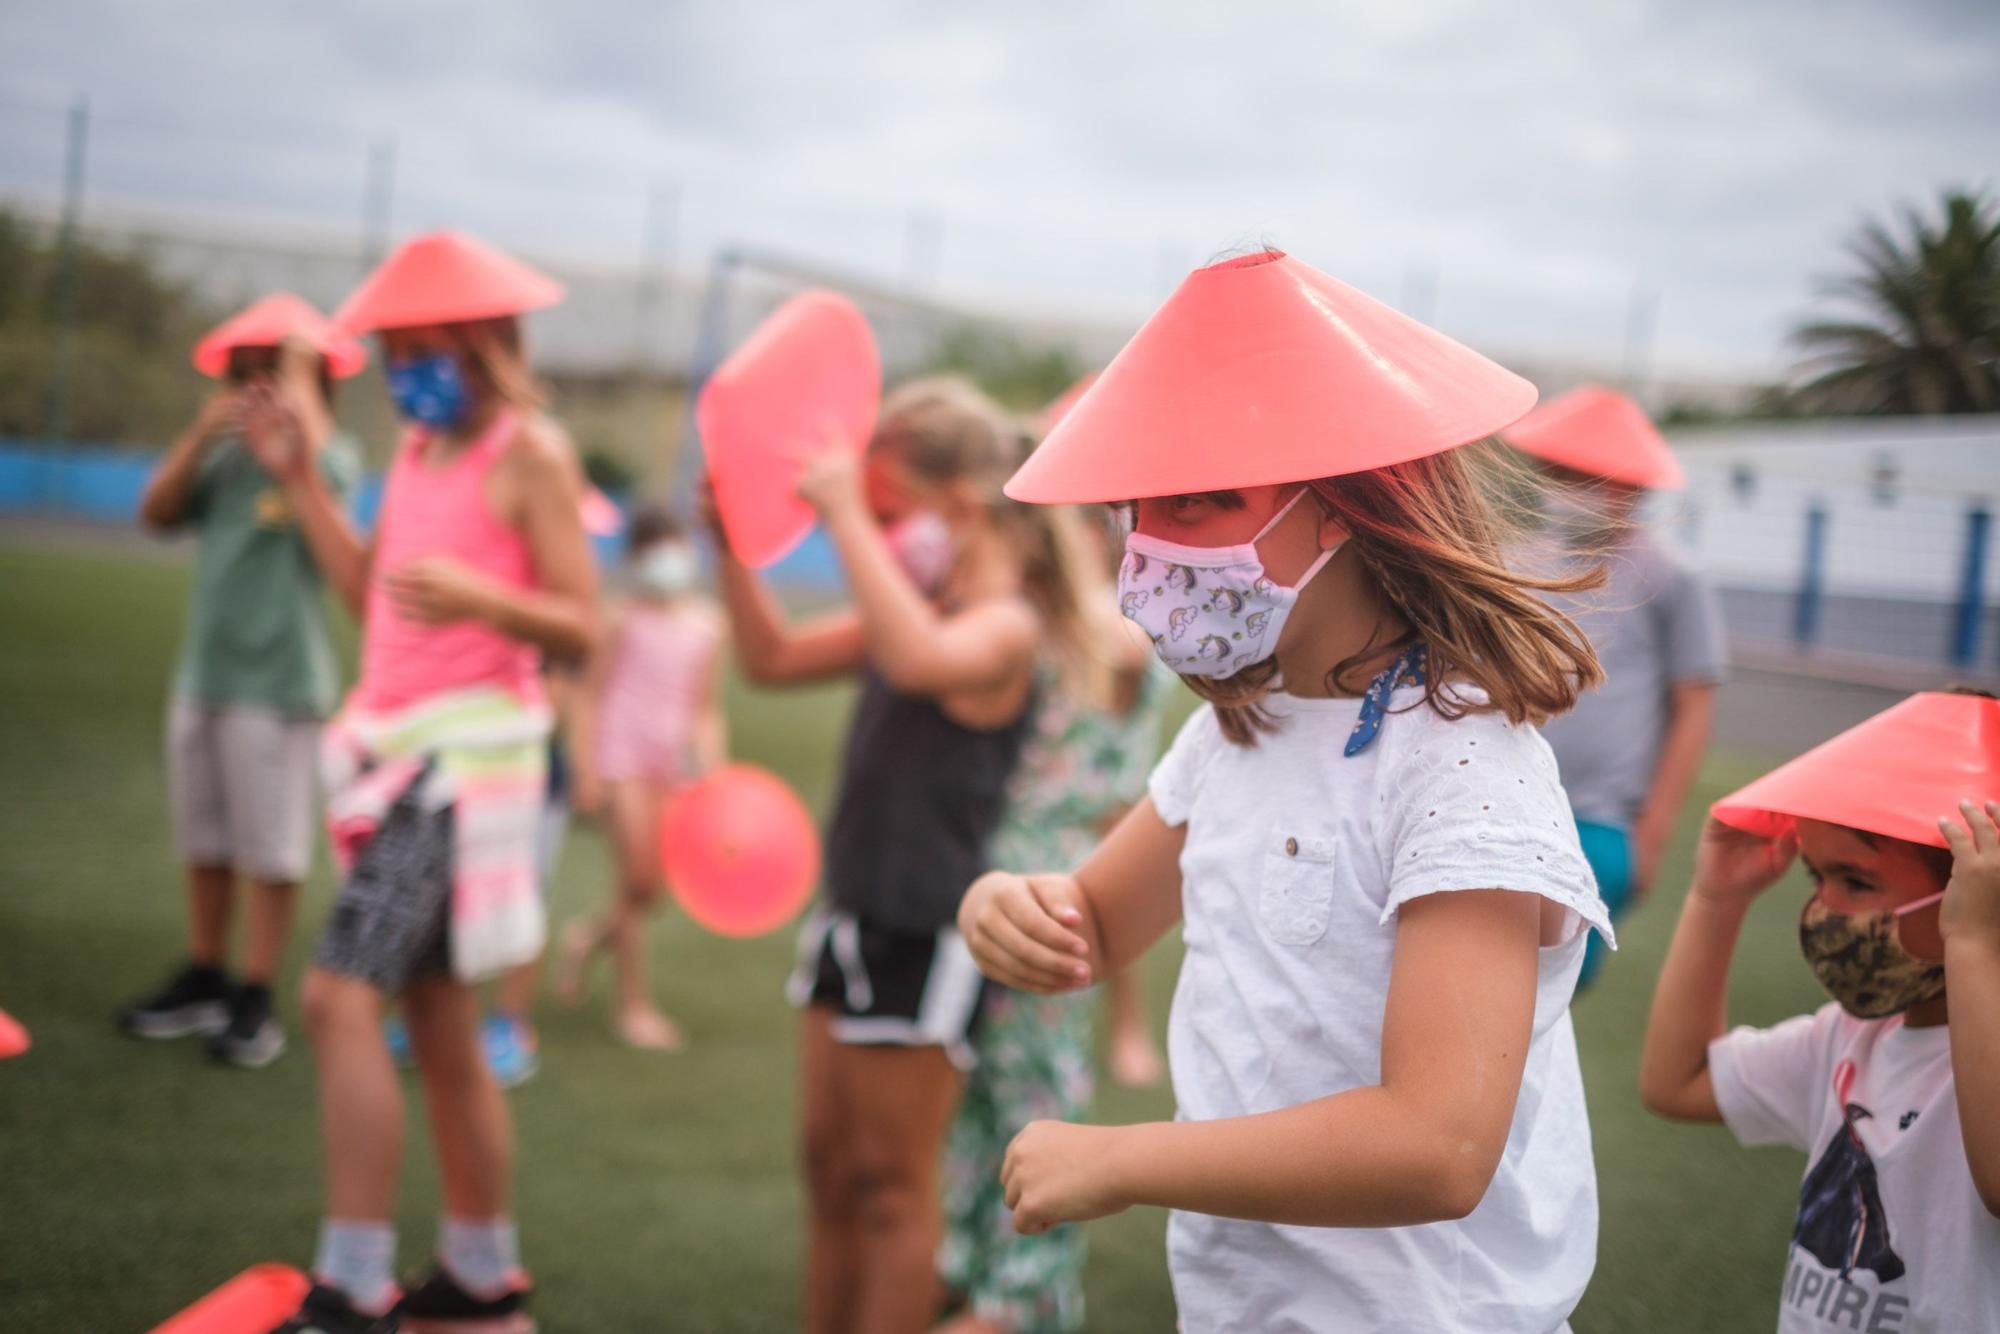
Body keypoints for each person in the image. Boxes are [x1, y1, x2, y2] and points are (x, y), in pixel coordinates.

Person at [956, 249, 1614, 1333]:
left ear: (1347, 509)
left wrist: (1123, 1157)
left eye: (1202, 503)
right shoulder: (1233, 728)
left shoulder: (1464, 763)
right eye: (1141, 508)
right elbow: (1088, 924)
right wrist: (1001, 903)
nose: (1153, 546)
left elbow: (1437, 1145)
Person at [249, 231, 594, 1334]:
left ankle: (349, 1288)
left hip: (465, 767)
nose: (408, 373)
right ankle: (482, 1282)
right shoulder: (410, 449)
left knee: (336, 996)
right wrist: (301, 476)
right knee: (439, 1022)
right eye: (395, 353)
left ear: (488, 346)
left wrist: (489, 601)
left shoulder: (530, 451)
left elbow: (587, 623)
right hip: (394, 748)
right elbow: (373, 594)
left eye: (427, 350)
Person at [713, 377, 1054, 1334]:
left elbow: (918, 662)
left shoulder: (1004, 624)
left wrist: (841, 516)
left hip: (925, 931)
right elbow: (770, 660)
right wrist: (729, 542)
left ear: (958, 504)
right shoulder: (915, 603)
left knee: (893, 1193)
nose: (875, 530)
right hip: (848, 915)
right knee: (827, 1175)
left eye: (890, 510)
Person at [1639, 689, 2000, 1334]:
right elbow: (1678, 1081)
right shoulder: (1850, 1039)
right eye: (1817, 878)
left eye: (1855, 881)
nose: (1827, 907)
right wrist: (1715, 900)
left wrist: (1974, 942)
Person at [938, 494, 1165, 1334]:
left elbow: (1113, 649)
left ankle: (1025, 1294)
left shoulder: (1110, 630)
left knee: (1035, 1086)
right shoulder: (1044, 623)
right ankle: (968, 1259)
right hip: (996, 874)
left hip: (1055, 880)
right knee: (979, 1083)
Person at [122, 295, 366, 1069]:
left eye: (279, 373)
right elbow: (156, 514)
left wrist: (299, 409)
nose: (262, 387)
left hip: (281, 685)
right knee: (206, 836)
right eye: (250, 373)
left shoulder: (327, 455)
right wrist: (203, 430)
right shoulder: (226, 454)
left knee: (272, 850)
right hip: (207, 676)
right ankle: (204, 972)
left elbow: (330, 478)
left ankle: (254, 996)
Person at [1505, 385, 1726, 989]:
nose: (1561, 490)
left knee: (1548, 994)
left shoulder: (1673, 575)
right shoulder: (1520, 558)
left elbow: (1693, 706)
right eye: (1555, 473)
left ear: (1628, 485)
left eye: (1578, 477)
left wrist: (1651, 833)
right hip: (1506, 802)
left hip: (1598, 822)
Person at [557, 503, 727, 1050]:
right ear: (635, 559)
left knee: (650, 890)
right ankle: (633, 1007)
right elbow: (588, 694)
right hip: (620, 755)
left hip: (670, 762)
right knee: (632, 880)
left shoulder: (709, 624)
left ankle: (585, 939)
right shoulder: (619, 617)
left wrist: (713, 771)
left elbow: (703, 707)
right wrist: (585, 768)